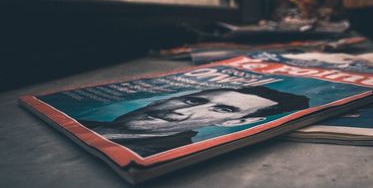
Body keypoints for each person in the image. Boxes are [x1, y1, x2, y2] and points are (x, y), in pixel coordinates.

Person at [80, 86, 309, 157]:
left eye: (223, 109)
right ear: (171, 98)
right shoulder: (81, 122)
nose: (179, 112)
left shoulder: (156, 153)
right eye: (191, 100)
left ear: (233, 122)